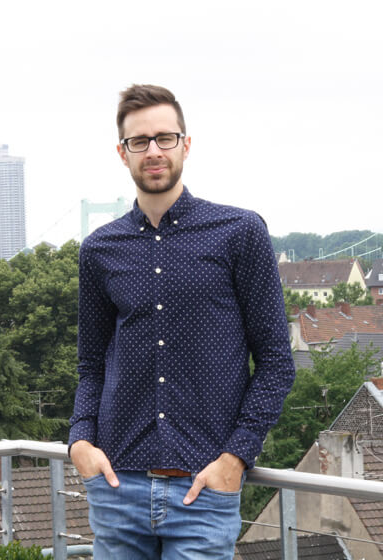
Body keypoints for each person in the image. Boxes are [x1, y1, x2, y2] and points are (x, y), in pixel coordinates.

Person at [69, 84, 296, 559]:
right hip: (116, 491)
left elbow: (276, 362)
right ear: (122, 153)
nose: (153, 151)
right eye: (139, 141)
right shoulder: (98, 250)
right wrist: (80, 443)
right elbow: (91, 364)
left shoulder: (240, 233)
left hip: (204, 492)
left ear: (185, 145)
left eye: (165, 138)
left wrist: (236, 458)